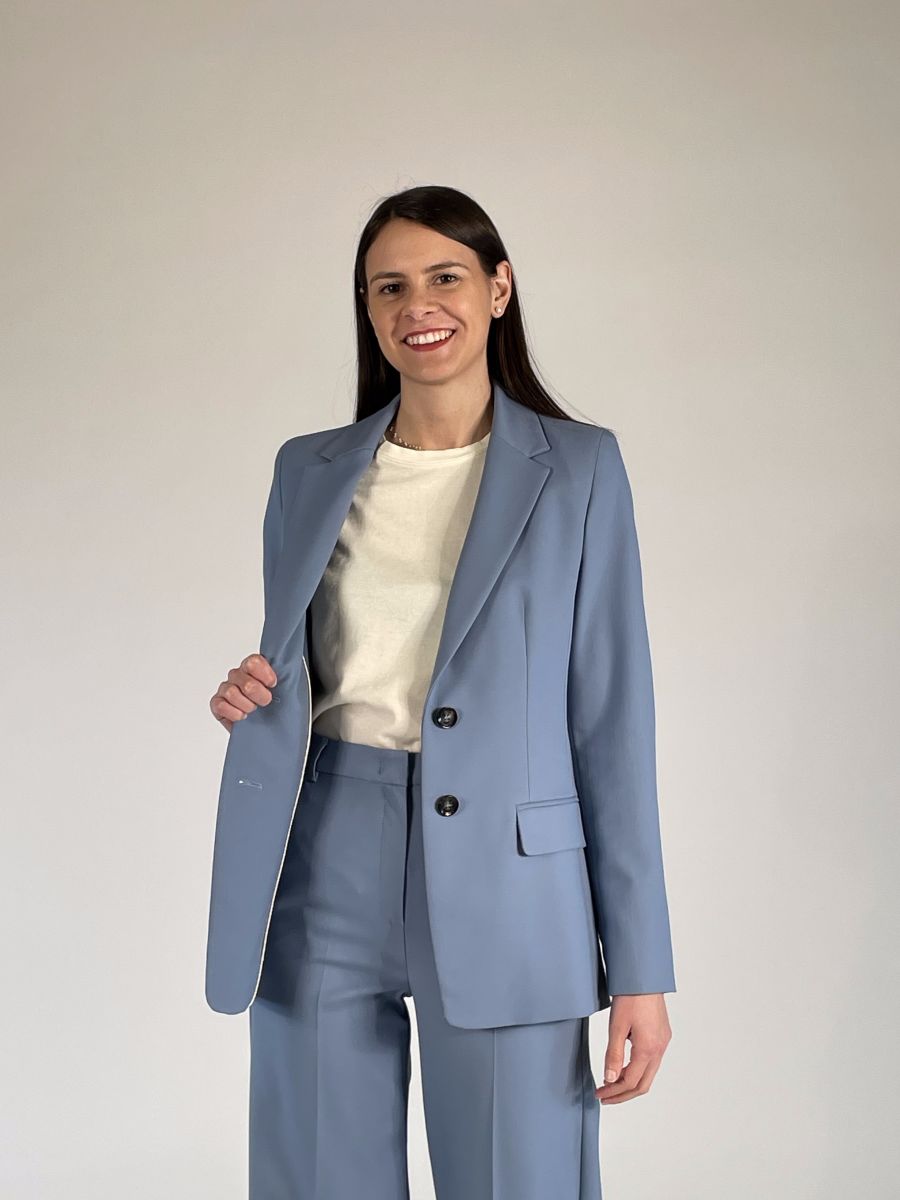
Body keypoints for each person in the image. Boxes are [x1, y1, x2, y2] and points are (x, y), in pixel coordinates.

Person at [207, 184, 676, 1199]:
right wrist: (254, 692)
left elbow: (612, 722)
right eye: (390, 287)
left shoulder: (580, 469)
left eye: (445, 277)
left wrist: (641, 967)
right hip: (326, 849)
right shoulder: (307, 470)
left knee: (517, 1177)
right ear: (368, 309)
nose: (418, 305)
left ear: (499, 289)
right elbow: (307, 664)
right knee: (316, 1174)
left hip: (513, 871)